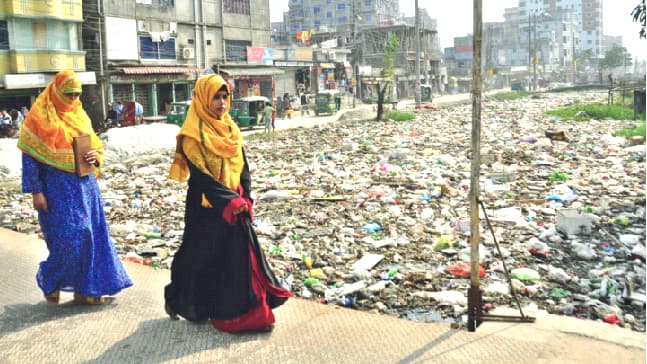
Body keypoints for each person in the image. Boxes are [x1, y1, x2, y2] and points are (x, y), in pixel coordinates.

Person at [165, 74, 291, 332]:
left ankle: (248, 315)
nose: (222, 103)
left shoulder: (231, 129)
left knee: (240, 257)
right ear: (203, 98)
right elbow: (201, 178)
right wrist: (229, 201)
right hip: (206, 207)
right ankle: (176, 299)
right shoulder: (192, 134)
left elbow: (242, 166)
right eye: (216, 97)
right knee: (196, 258)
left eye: (225, 97)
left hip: (236, 204)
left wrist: (246, 197)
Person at [16, 70, 132, 305]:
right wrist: (36, 191)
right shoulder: (39, 118)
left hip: (85, 188)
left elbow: (96, 149)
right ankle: (51, 278)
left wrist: (94, 156)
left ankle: (86, 288)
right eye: (68, 94)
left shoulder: (81, 117)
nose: (72, 99)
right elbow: (29, 157)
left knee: (91, 237)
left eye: (77, 94)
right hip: (55, 189)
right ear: (56, 91)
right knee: (70, 238)